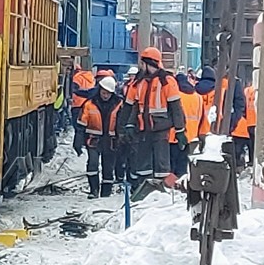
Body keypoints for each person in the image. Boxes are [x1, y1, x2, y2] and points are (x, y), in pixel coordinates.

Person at [122, 48, 184, 189]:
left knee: (161, 166)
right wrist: (130, 125)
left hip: (160, 128)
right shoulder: (140, 82)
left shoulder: (167, 81)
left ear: (147, 63)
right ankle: (145, 192)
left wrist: (180, 130)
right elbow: (135, 107)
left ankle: (162, 193)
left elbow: (176, 108)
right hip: (143, 129)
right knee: (143, 167)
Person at [78, 71, 126, 196]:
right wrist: (78, 139)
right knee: (92, 164)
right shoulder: (89, 104)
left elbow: (121, 123)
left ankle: (106, 193)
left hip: (111, 141)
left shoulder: (119, 104)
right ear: (100, 90)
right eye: (104, 93)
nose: (105, 96)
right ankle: (93, 190)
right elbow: (82, 122)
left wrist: (122, 139)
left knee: (108, 168)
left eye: (108, 93)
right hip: (93, 140)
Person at [229, 80, 257, 172]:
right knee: (252, 145)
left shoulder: (245, 91)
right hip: (253, 122)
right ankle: (251, 161)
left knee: (239, 148)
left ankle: (244, 163)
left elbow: (242, 106)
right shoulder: (256, 91)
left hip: (245, 122)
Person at [69, 66, 95, 154]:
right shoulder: (90, 77)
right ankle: (84, 142)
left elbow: (74, 89)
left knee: (78, 127)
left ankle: (79, 144)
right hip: (88, 105)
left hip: (77, 105)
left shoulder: (77, 77)